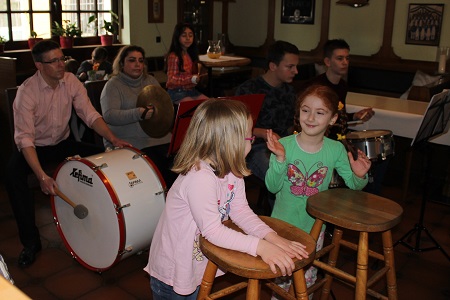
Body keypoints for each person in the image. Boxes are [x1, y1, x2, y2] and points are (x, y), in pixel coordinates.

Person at [145, 99, 310, 299]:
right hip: (173, 269)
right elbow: (213, 231)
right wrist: (260, 247)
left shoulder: (232, 170)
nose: (253, 141)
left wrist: (271, 237)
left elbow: (240, 211)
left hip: (194, 259)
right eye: (249, 137)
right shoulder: (200, 178)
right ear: (229, 141)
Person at [5, 40, 130, 267]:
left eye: (61, 58)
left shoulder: (71, 81)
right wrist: (42, 176)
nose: (61, 65)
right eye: (54, 61)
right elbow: (24, 139)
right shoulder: (27, 92)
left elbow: (90, 115)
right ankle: (31, 243)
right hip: (34, 148)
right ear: (39, 66)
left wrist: (113, 139)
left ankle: (111, 221)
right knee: (13, 175)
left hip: (62, 143)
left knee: (103, 155)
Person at [265, 84, 371, 296]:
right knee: (280, 282)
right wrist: (280, 159)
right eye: (305, 110)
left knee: (307, 281)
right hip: (281, 228)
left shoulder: (335, 149)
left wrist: (360, 175)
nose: (311, 117)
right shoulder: (284, 145)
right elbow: (272, 186)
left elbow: (353, 185)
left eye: (320, 112)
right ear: (299, 112)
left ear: (332, 119)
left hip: (313, 229)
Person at [304, 39, 389, 195]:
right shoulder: (318, 87)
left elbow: (338, 115)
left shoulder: (342, 85)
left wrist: (355, 116)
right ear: (327, 62)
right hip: (324, 140)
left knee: (379, 154)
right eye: (340, 58)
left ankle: (366, 197)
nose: (345, 62)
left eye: (347, 58)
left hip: (339, 137)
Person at [235, 40, 300, 210]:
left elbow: (290, 126)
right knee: (282, 178)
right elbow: (235, 128)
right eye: (290, 67)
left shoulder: (289, 91)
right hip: (254, 147)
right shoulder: (248, 89)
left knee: (303, 173)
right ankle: (283, 222)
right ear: (273, 66)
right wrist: (263, 133)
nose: (296, 71)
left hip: (282, 146)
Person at [100, 45, 177, 188]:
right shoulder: (113, 85)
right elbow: (109, 116)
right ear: (122, 64)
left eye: (141, 61)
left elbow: (164, 107)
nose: (137, 64)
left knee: (182, 162)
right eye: (132, 60)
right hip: (130, 141)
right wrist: (138, 113)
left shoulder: (151, 81)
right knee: (159, 170)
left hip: (158, 138)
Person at [165, 22, 208, 104]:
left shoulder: (190, 54)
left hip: (191, 91)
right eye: (184, 35)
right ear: (177, 37)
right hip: (177, 92)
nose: (188, 38)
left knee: (209, 104)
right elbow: (171, 80)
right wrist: (191, 79)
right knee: (192, 106)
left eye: (190, 35)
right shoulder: (174, 56)